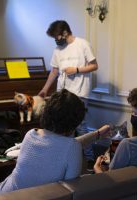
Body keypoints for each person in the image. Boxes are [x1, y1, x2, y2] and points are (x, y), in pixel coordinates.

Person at [0, 89, 110, 194]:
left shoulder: (30, 134)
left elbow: (59, 146)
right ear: (74, 122)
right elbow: (71, 190)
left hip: (3, 193)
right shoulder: (71, 147)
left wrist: (97, 134)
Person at [38, 20, 98, 161]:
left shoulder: (82, 44)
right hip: (62, 94)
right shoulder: (57, 51)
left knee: (81, 127)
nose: (55, 40)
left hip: (80, 93)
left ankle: (89, 159)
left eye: (56, 37)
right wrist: (44, 89)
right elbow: (54, 71)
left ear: (65, 33)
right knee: (64, 127)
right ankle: (67, 159)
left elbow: (94, 66)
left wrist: (76, 70)